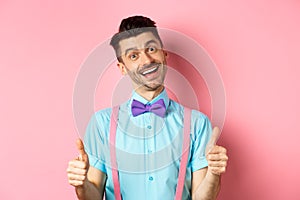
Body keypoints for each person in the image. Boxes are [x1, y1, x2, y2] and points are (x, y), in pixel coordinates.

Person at [67, 16, 228, 200]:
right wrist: (81, 185)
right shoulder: (102, 124)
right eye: (133, 55)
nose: (147, 61)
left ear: (164, 55)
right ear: (122, 68)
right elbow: (92, 196)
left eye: (151, 49)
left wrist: (214, 175)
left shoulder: (198, 124)